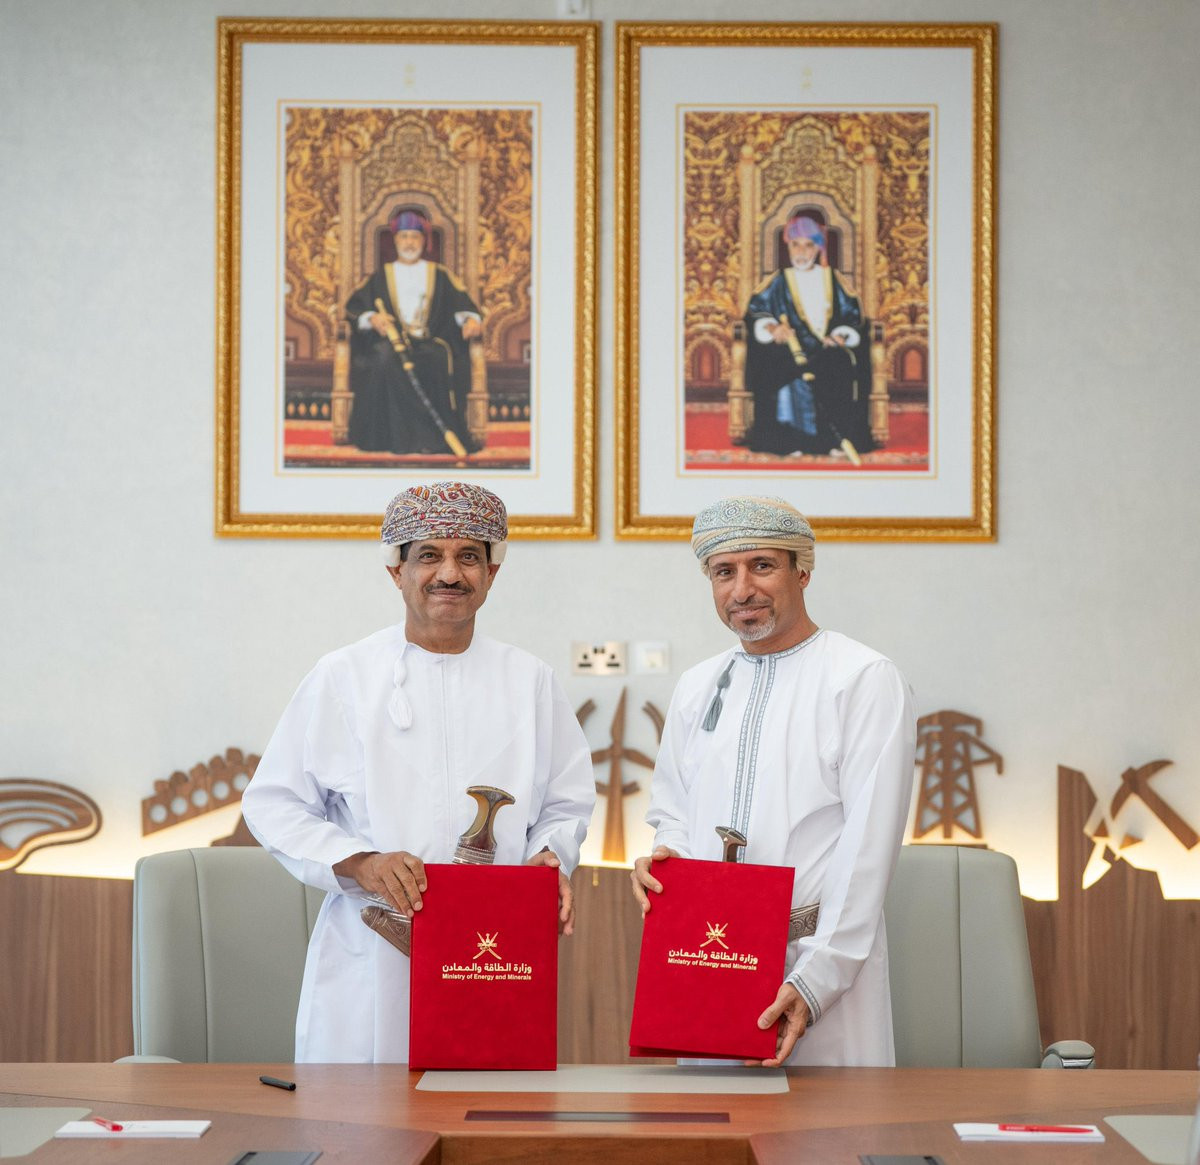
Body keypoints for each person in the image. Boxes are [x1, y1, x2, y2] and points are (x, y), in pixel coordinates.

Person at [241, 482, 595, 1062]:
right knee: (365, 1114)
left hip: (492, 949)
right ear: (396, 572)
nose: (449, 574)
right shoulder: (344, 677)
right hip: (372, 947)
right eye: (429, 555)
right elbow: (273, 802)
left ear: (491, 574)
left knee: (484, 1105)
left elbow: (566, 801)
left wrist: (549, 856)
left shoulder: (529, 680)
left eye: (469, 557)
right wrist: (360, 862)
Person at [630, 495, 915, 1067]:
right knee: (711, 1119)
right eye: (723, 572)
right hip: (709, 959)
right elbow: (673, 808)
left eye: (761, 566)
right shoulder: (698, 685)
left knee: (825, 1123)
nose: (742, 590)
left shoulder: (862, 678)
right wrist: (667, 860)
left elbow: (868, 847)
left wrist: (816, 979)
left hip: (817, 969)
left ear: (802, 571)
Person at [345, 207, 482, 456]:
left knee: (438, 358)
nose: (409, 242)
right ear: (396, 241)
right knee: (384, 359)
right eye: (404, 237)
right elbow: (355, 309)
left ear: (423, 241)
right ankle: (393, 438)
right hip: (392, 343)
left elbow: (463, 305)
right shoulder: (381, 276)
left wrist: (471, 320)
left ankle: (433, 439)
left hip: (430, 341)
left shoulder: (440, 274)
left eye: (415, 237)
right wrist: (372, 318)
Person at [743, 215, 875, 460]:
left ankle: (833, 440)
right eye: (796, 245)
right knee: (777, 367)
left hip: (826, 350)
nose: (801, 252)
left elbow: (853, 316)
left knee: (839, 364)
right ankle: (790, 440)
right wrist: (772, 328)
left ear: (818, 248)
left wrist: (840, 335)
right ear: (788, 247)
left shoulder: (833, 279)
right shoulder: (778, 280)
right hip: (790, 350)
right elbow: (756, 312)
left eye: (808, 245)